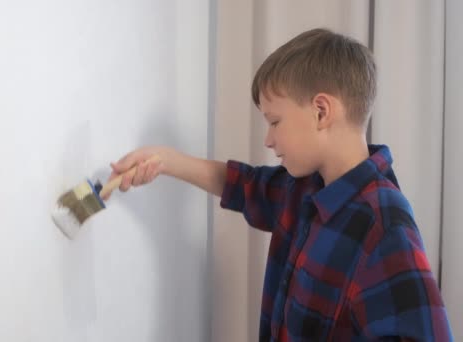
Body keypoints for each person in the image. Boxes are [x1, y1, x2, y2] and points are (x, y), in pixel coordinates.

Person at [105, 28, 452, 341]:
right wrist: (165, 161)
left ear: (321, 111)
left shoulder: (384, 225)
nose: (268, 139)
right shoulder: (305, 188)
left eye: (275, 121)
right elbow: (243, 185)